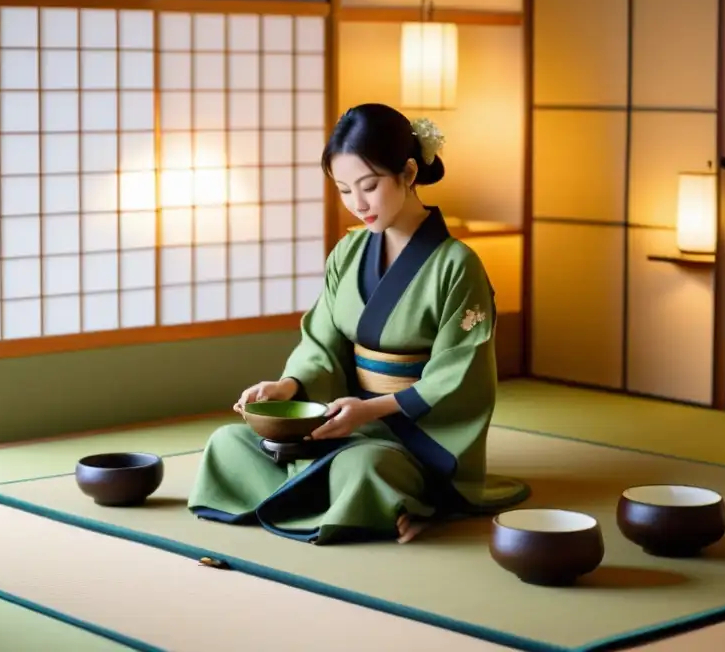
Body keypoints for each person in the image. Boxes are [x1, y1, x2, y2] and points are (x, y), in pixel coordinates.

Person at [187, 103, 530, 545]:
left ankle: (393, 496)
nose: (357, 205)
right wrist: (289, 386)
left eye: (369, 186)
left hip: (417, 434)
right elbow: (321, 343)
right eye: (344, 189)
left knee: (362, 466)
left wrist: (373, 409)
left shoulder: (456, 265)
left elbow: (460, 373)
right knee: (227, 443)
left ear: (408, 173)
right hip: (346, 419)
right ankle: (352, 502)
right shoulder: (348, 254)